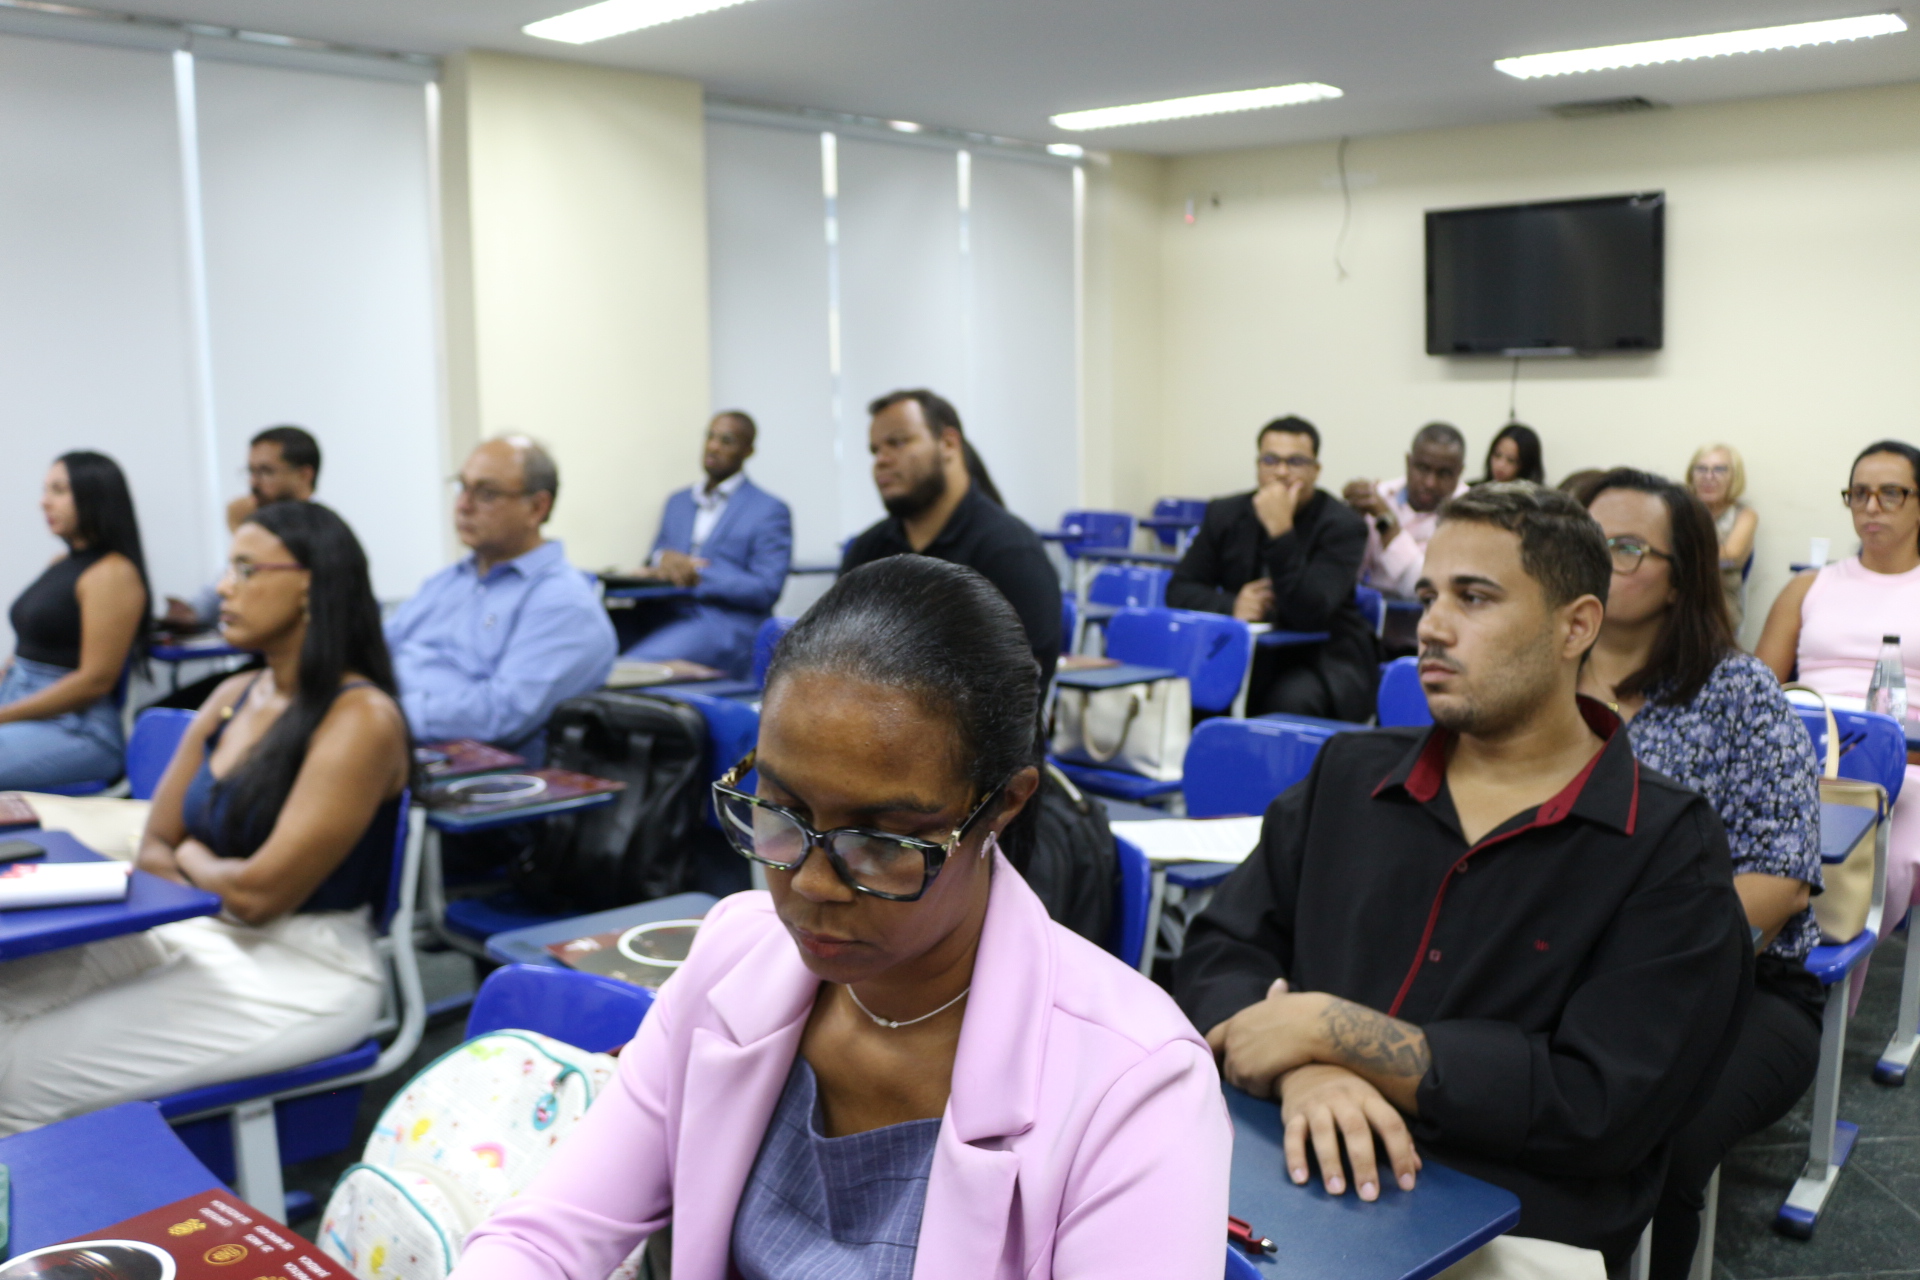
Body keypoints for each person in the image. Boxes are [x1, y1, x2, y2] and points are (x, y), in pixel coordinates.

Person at [453, 556, 1230, 1280]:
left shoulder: (1135, 1085)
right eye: (782, 811)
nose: (812, 883)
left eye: (882, 841)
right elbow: (543, 1237)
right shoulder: (733, 955)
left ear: (1004, 806)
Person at [1174, 483, 1750, 1271]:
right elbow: (1217, 955)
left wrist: (1333, 1032)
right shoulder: (1350, 776)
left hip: (1503, 1221)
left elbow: (1601, 1106)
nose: (1432, 628)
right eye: (1427, 597)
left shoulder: (1665, 844)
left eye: (1474, 598)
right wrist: (1306, 1072)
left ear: (1576, 626)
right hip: (1276, 1161)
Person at [0, 501, 410, 1133]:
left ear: (310, 586)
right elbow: (153, 847)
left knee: (19, 1076)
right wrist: (199, 864)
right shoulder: (232, 696)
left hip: (303, 967)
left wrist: (189, 854)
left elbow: (257, 898)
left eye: (246, 569)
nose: (222, 587)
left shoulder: (361, 719)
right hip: (201, 926)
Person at [1580, 469, 1821, 1279]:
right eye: (1585, 541)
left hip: (1736, 988)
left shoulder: (1738, 692)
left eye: (1625, 548)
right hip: (1557, 969)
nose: (1597, 560)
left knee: (1663, 1142)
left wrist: (1631, 967)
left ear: (1682, 576)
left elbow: (1780, 882)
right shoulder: (1536, 680)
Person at [1757, 438, 1920, 974]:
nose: (1871, 507)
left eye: (1891, 493)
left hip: (1908, 769)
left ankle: (1827, 991)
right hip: (1802, 759)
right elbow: (1757, 690)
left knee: (1891, 860)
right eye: (1859, 493)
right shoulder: (1809, 586)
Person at [386, 436, 615, 762]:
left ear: (537, 507)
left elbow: (500, 713)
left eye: (486, 494)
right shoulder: (448, 581)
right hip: (390, 739)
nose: (463, 505)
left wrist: (382, 713)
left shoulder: (564, 604)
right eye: (461, 487)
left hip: (466, 769)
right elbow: (377, 649)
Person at [841, 389, 1061, 684]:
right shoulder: (868, 550)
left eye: (897, 442)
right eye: (875, 450)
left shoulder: (1010, 552)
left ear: (948, 443)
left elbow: (1021, 688)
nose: (881, 460)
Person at [1167, 415, 1376, 720]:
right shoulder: (1225, 513)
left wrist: (1280, 531)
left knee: (1286, 703)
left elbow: (1309, 612)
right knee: (1194, 695)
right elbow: (1179, 589)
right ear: (1258, 466)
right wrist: (1232, 605)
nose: (1281, 472)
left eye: (1295, 462)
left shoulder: (1344, 526)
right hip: (1242, 649)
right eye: (1270, 460)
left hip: (1319, 656)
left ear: (1315, 470)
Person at [0, 452, 149, 790]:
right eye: (45, 490)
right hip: (23, 705)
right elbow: (27, 651)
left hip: (77, 729)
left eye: (59, 490)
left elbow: (94, 682)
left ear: (94, 496)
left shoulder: (113, 574)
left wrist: (4, 715)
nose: (44, 502)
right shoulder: (60, 563)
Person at [616, 412, 792, 678]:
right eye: (710, 437)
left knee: (628, 669)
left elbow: (767, 588)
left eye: (726, 441)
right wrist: (661, 559)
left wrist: (697, 573)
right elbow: (656, 556)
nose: (713, 446)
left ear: (748, 451)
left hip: (722, 622)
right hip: (662, 611)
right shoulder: (677, 502)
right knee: (591, 647)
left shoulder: (769, 510)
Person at [163, 425, 322, 632]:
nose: (253, 483)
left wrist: (243, 533)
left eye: (266, 471)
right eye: (251, 471)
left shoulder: (323, 533)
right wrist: (192, 610)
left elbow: (268, 608)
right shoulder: (261, 526)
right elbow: (222, 588)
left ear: (304, 475)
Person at [1343, 421, 1470, 601]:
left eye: (1444, 473)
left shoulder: (1471, 515)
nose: (1430, 483)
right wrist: (1350, 523)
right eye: (1423, 468)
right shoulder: (1380, 496)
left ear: (1459, 472)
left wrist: (1387, 523)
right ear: (1409, 462)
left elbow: (1425, 589)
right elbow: (1347, 576)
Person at [1685, 444, 1759, 632]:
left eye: (1719, 469)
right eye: (1701, 469)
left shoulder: (1744, 516)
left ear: (1734, 477)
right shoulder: (1679, 510)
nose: (1709, 477)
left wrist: (1681, 553)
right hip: (1674, 604)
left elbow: (1730, 557)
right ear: (1691, 475)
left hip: (1720, 608)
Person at [1478, 422, 1544, 486]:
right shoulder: (1476, 490)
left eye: (1511, 460)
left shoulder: (1536, 493)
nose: (1500, 465)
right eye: (1497, 455)